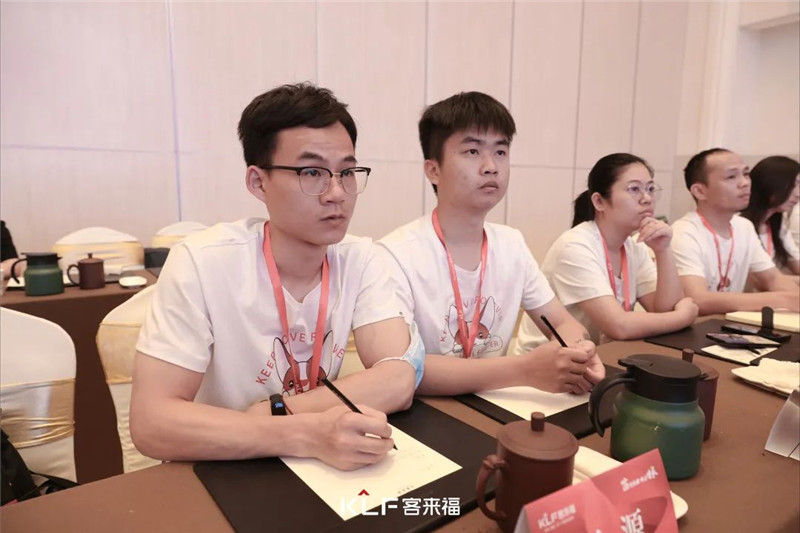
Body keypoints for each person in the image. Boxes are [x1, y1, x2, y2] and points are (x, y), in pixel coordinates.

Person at [130, 84, 422, 471]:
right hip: (224, 468)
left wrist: (275, 413)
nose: (337, 193)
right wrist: (304, 433)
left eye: (347, 172)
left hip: (319, 466)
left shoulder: (361, 257)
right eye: (312, 172)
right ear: (258, 181)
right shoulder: (202, 262)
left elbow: (398, 378)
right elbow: (152, 423)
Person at [377, 91, 604, 397]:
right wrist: (525, 370)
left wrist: (579, 352)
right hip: (426, 411)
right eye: (472, 151)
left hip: (496, 404)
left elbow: (563, 323)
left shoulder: (511, 244)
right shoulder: (394, 255)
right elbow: (401, 369)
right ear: (433, 170)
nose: (491, 166)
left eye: (500, 151)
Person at [512, 154, 698, 351]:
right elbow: (619, 327)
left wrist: (663, 250)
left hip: (602, 355)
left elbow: (665, 309)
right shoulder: (575, 246)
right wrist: (683, 317)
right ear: (599, 201)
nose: (647, 198)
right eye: (634, 189)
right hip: (549, 361)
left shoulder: (633, 246)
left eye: (650, 189)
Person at [671, 148, 799, 315]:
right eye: (731, 177)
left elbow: (773, 279)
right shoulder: (684, 233)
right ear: (700, 191)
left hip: (728, 323)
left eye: (745, 174)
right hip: (695, 325)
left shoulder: (743, 226)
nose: (745, 183)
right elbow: (697, 299)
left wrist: (794, 298)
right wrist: (783, 299)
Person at [739, 156, 800, 276]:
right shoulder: (739, 224)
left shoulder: (777, 222)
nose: (798, 194)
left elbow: (795, 260)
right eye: (793, 185)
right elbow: (762, 280)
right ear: (770, 183)